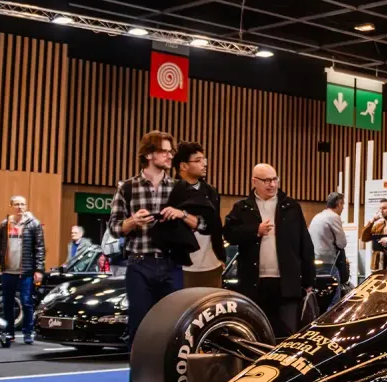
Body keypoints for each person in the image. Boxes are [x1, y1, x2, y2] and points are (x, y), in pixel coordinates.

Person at [108, 130, 184, 346]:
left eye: (171, 152)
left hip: (172, 263)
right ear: (149, 155)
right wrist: (132, 222)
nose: (170, 156)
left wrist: (181, 214)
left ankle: (167, 369)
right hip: (139, 264)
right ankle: (138, 369)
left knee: (172, 327)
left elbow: (199, 224)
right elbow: (113, 227)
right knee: (139, 326)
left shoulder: (178, 188)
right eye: (164, 152)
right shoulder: (127, 187)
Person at [223, 164, 315, 336]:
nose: (272, 184)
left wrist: (309, 280)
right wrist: (255, 231)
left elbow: (305, 244)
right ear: (254, 182)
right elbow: (229, 234)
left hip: (286, 283)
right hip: (254, 284)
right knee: (256, 332)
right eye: (266, 180)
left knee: (288, 334)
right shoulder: (242, 208)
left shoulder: (291, 207)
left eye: (274, 179)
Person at [0, 195, 46, 345]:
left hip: (25, 271)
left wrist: (39, 270)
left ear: (26, 206)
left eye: (22, 204)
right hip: (7, 271)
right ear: (11, 206)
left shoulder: (34, 224)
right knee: (7, 303)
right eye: (17, 204)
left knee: (26, 302)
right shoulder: (4, 224)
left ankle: (27, 332)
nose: (20, 207)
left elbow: (40, 248)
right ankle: (9, 332)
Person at [168, 142, 223, 289]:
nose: (204, 164)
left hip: (212, 265)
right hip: (181, 267)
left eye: (204, 160)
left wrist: (221, 257)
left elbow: (216, 225)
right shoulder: (170, 190)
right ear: (183, 166)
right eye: (198, 161)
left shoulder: (211, 191)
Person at [310, 193, 348, 296]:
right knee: (334, 296)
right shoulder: (334, 217)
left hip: (313, 261)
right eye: (343, 204)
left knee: (320, 296)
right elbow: (342, 243)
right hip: (327, 262)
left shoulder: (317, 216)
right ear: (339, 203)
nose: (343, 208)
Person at [360, 198, 387, 272]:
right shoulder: (378, 227)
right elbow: (364, 238)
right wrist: (372, 221)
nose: (381, 211)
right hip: (378, 265)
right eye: (380, 208)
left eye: (384, 208)